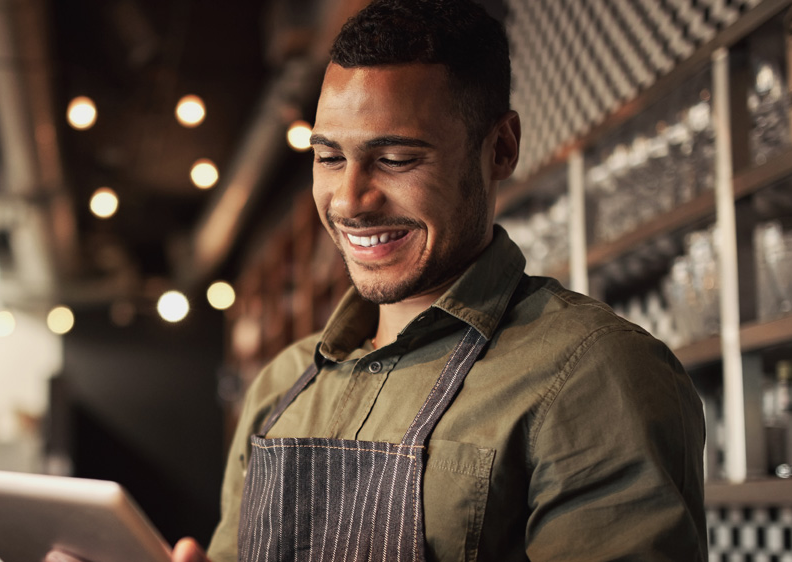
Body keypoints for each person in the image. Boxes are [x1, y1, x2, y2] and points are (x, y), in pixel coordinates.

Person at [168, 0, 708, 560]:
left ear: (500, 149)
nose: (350, 199)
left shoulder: (595, 375)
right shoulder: (280, 386)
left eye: (397, 158)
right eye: (329, 157)